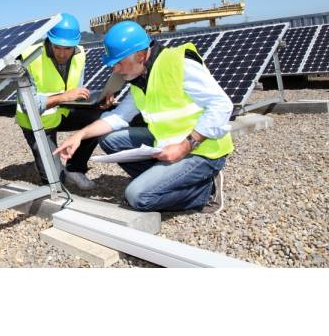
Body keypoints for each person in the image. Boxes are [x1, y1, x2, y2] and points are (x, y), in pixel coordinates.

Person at [54, 21, 234, 213]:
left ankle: (206, 193)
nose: (115, 70)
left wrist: (184, 146)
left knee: (138, 197)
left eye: (119, 63)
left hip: (202, 150)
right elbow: (118, 117)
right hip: (167, 143)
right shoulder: (139, 79)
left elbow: (222, 105)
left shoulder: (179, 64)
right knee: (109, 139)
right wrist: (80, 135)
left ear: (140, 55)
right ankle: (163, 181)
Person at [16, 13, 110, 190]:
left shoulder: (80, 54)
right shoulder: (28, 59)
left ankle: (75, 168)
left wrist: (99, 99)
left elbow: (77, 92)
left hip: (63, 113)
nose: (62, 53)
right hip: (36, 121)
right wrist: (64, 97)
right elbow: (30, 106)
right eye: (57, 47)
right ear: (48, 40)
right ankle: (49, 165)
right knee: (55, 183)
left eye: (68, 48)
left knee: (102, 117)